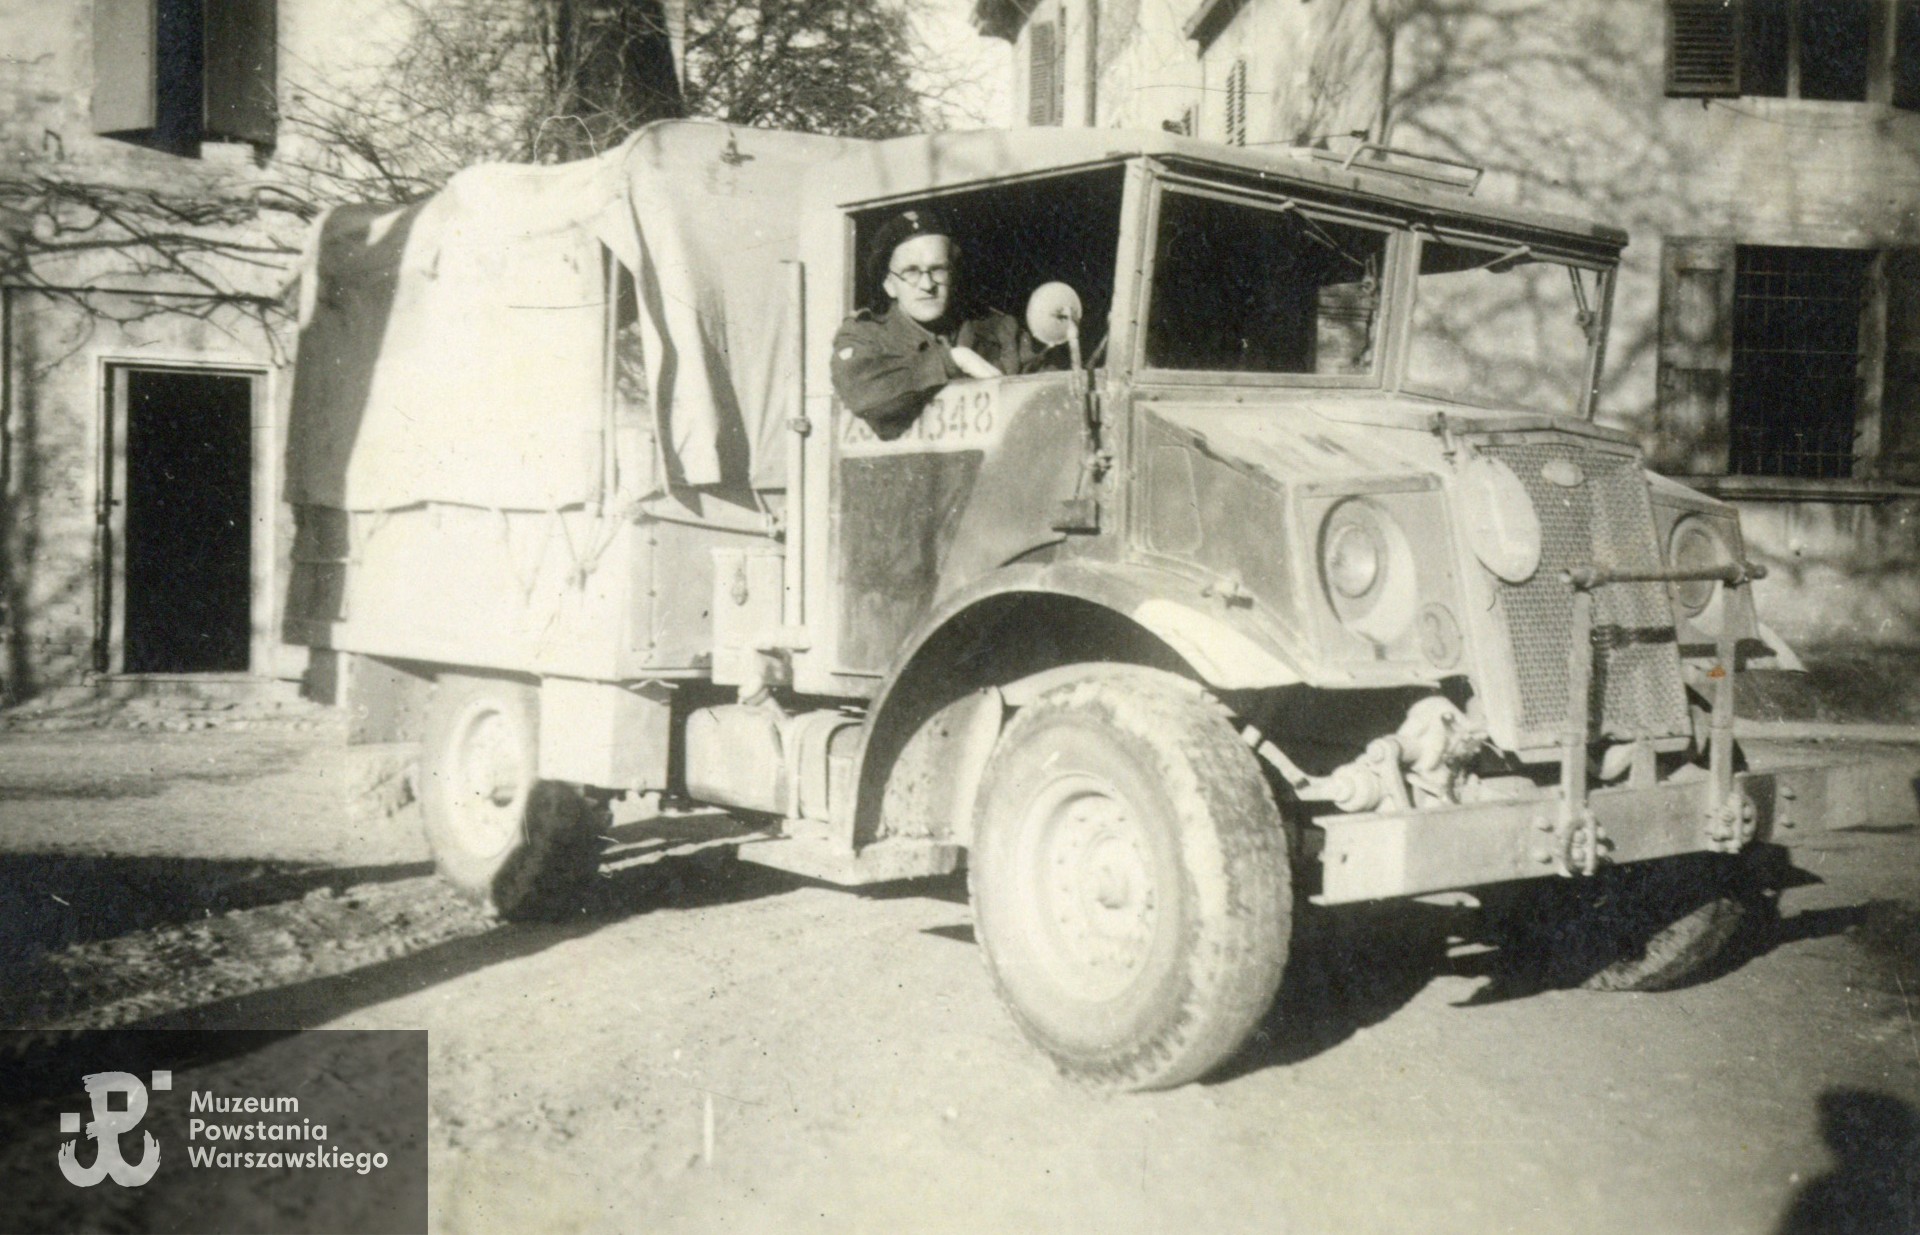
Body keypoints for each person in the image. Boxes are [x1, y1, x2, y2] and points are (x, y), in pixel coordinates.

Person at [830, 208, 1052, 429]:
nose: (927, 285)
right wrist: (954, 360)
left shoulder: (1001, 330)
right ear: (889, 284)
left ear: (952, 273)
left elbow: (1048, 398)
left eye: (938, 269)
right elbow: (862, 394)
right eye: (911, 272)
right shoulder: (865, 336)